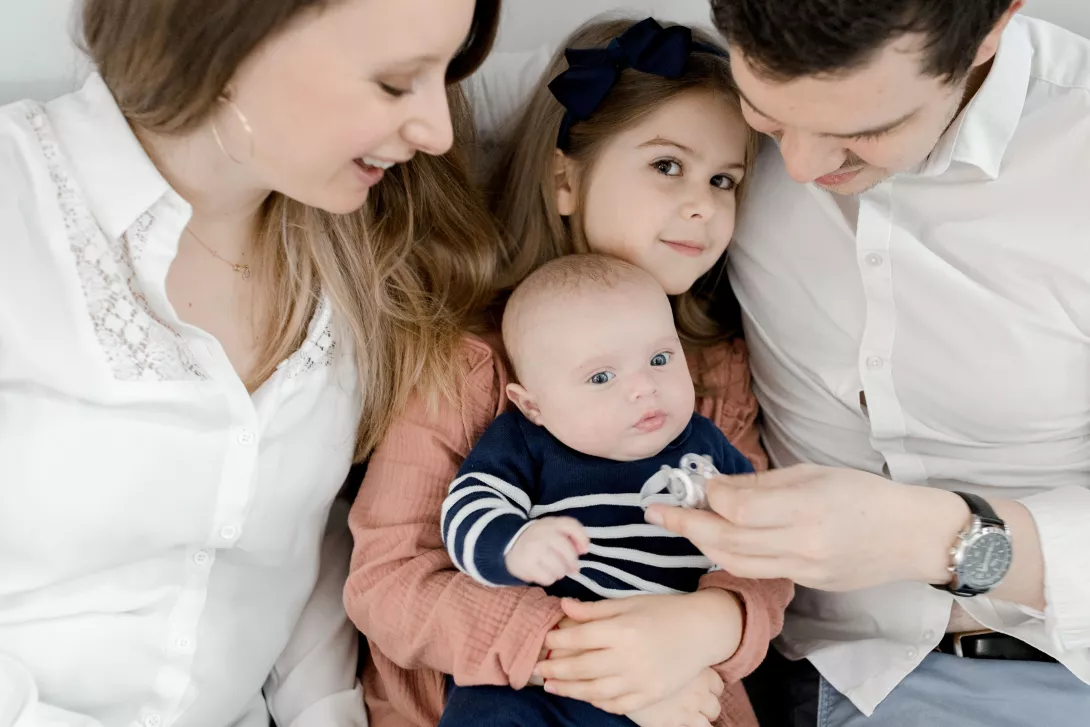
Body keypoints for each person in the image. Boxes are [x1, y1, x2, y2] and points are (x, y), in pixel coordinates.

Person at [0, 0, 502, 725]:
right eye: (395, 83)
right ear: (234, 38)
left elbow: (301, 552)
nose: (437, 132)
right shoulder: (19, 204)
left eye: (443, 76)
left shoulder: (361, 259)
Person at [645, 1, 1090, 725]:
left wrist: (934, 537)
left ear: (991, 29)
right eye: (768, 117)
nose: (799, 166)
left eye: (865, 132)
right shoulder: (701, 121)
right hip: (813, 670)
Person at [344, 16, 792, 727]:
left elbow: (764, 551)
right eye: (667, 165)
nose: (703, 203)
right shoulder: (468, 362)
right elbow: (390, 582)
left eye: (724, 179)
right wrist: (593, 656)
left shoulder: (712, 371)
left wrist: (712, 622)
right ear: (564, 180)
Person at [438, 255, 756, 727]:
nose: (645, 387)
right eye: (601, 377)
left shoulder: (705, 446)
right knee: (488, 710)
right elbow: (468, 507)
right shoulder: (528, 446)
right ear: (534, 405)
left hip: (666, 674)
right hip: (545, 683)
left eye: (660, 359)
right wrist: (513, 545)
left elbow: (760, 530)